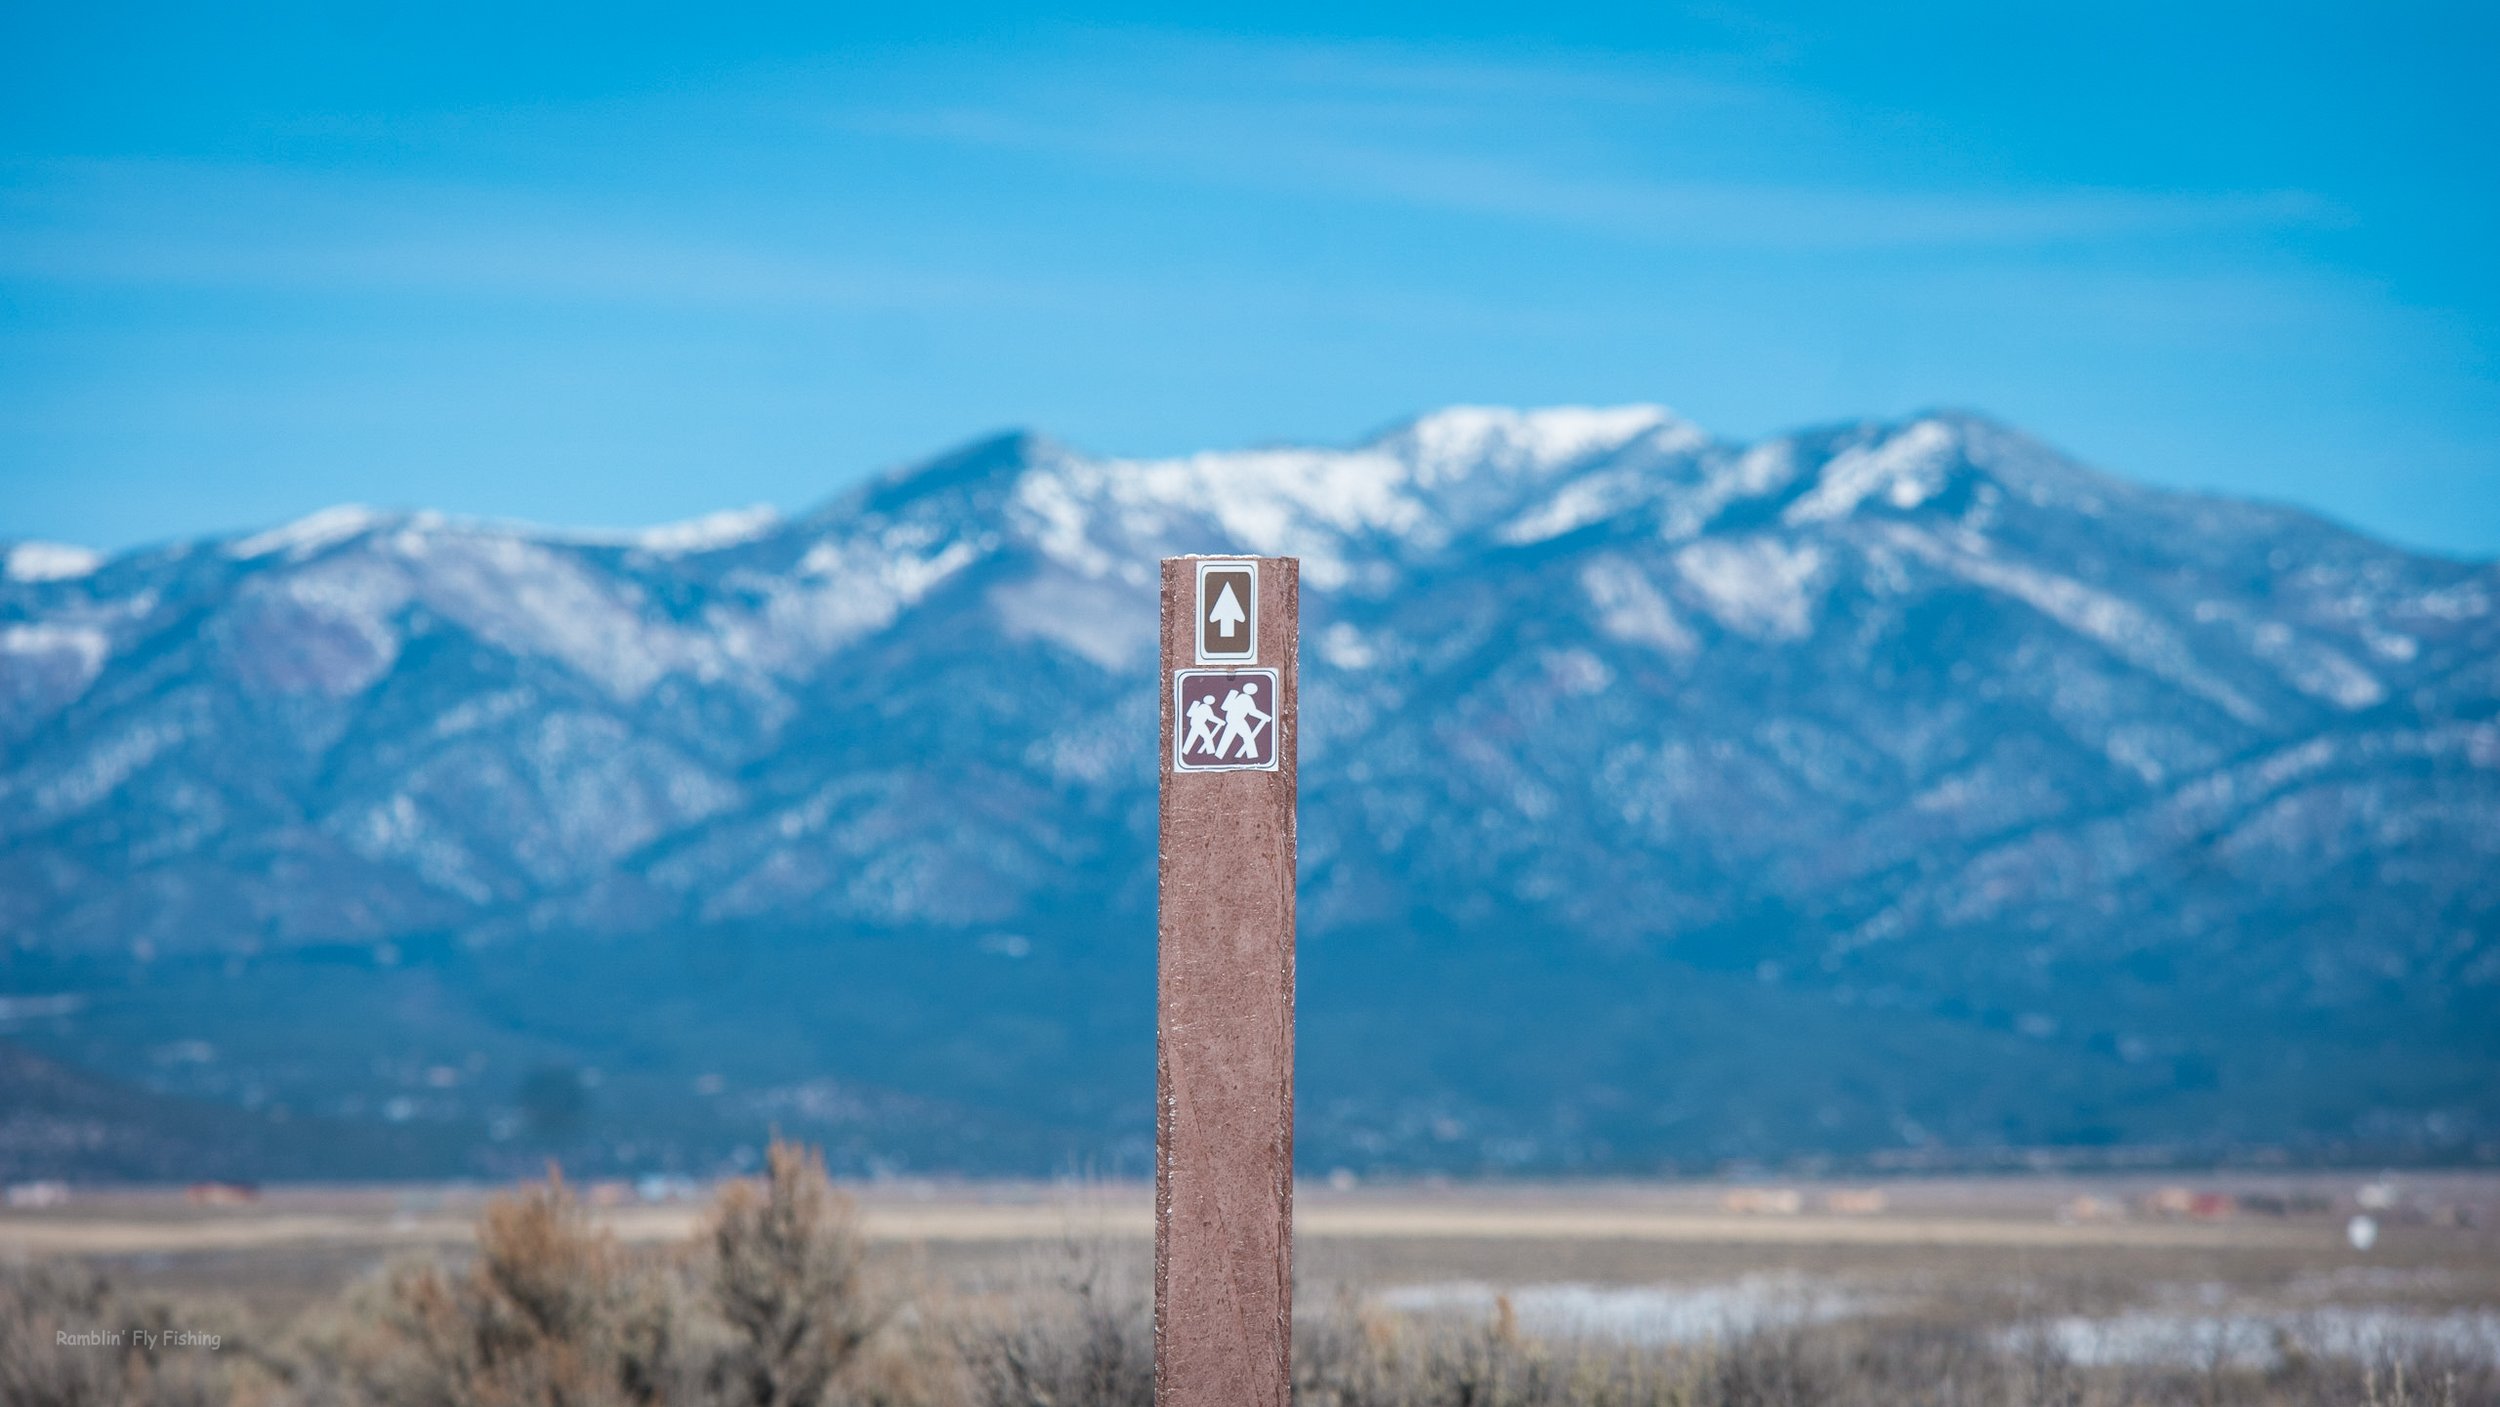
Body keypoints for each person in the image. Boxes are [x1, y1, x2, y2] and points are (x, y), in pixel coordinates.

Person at [1216, 680, 1272, 760]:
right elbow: (1252, 712)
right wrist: (1265, 717)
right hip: (1237, 720)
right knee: (1248, 737)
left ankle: (1219, 755)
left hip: (1231, 719)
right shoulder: (1247, 698)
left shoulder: (1239, 696)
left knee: (1227, 737)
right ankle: (1252, 757)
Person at [1183, 691, 1223, 758]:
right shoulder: (1206, 707)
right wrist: (1220, 721)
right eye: (1212, 700)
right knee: (1207, 737)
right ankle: (1211, 752)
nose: (1213, 701)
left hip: (1194, 723)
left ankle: (1185, 751)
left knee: (1192, 737)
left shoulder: (1200, 706)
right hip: (1199, 724)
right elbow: (1210, 717)